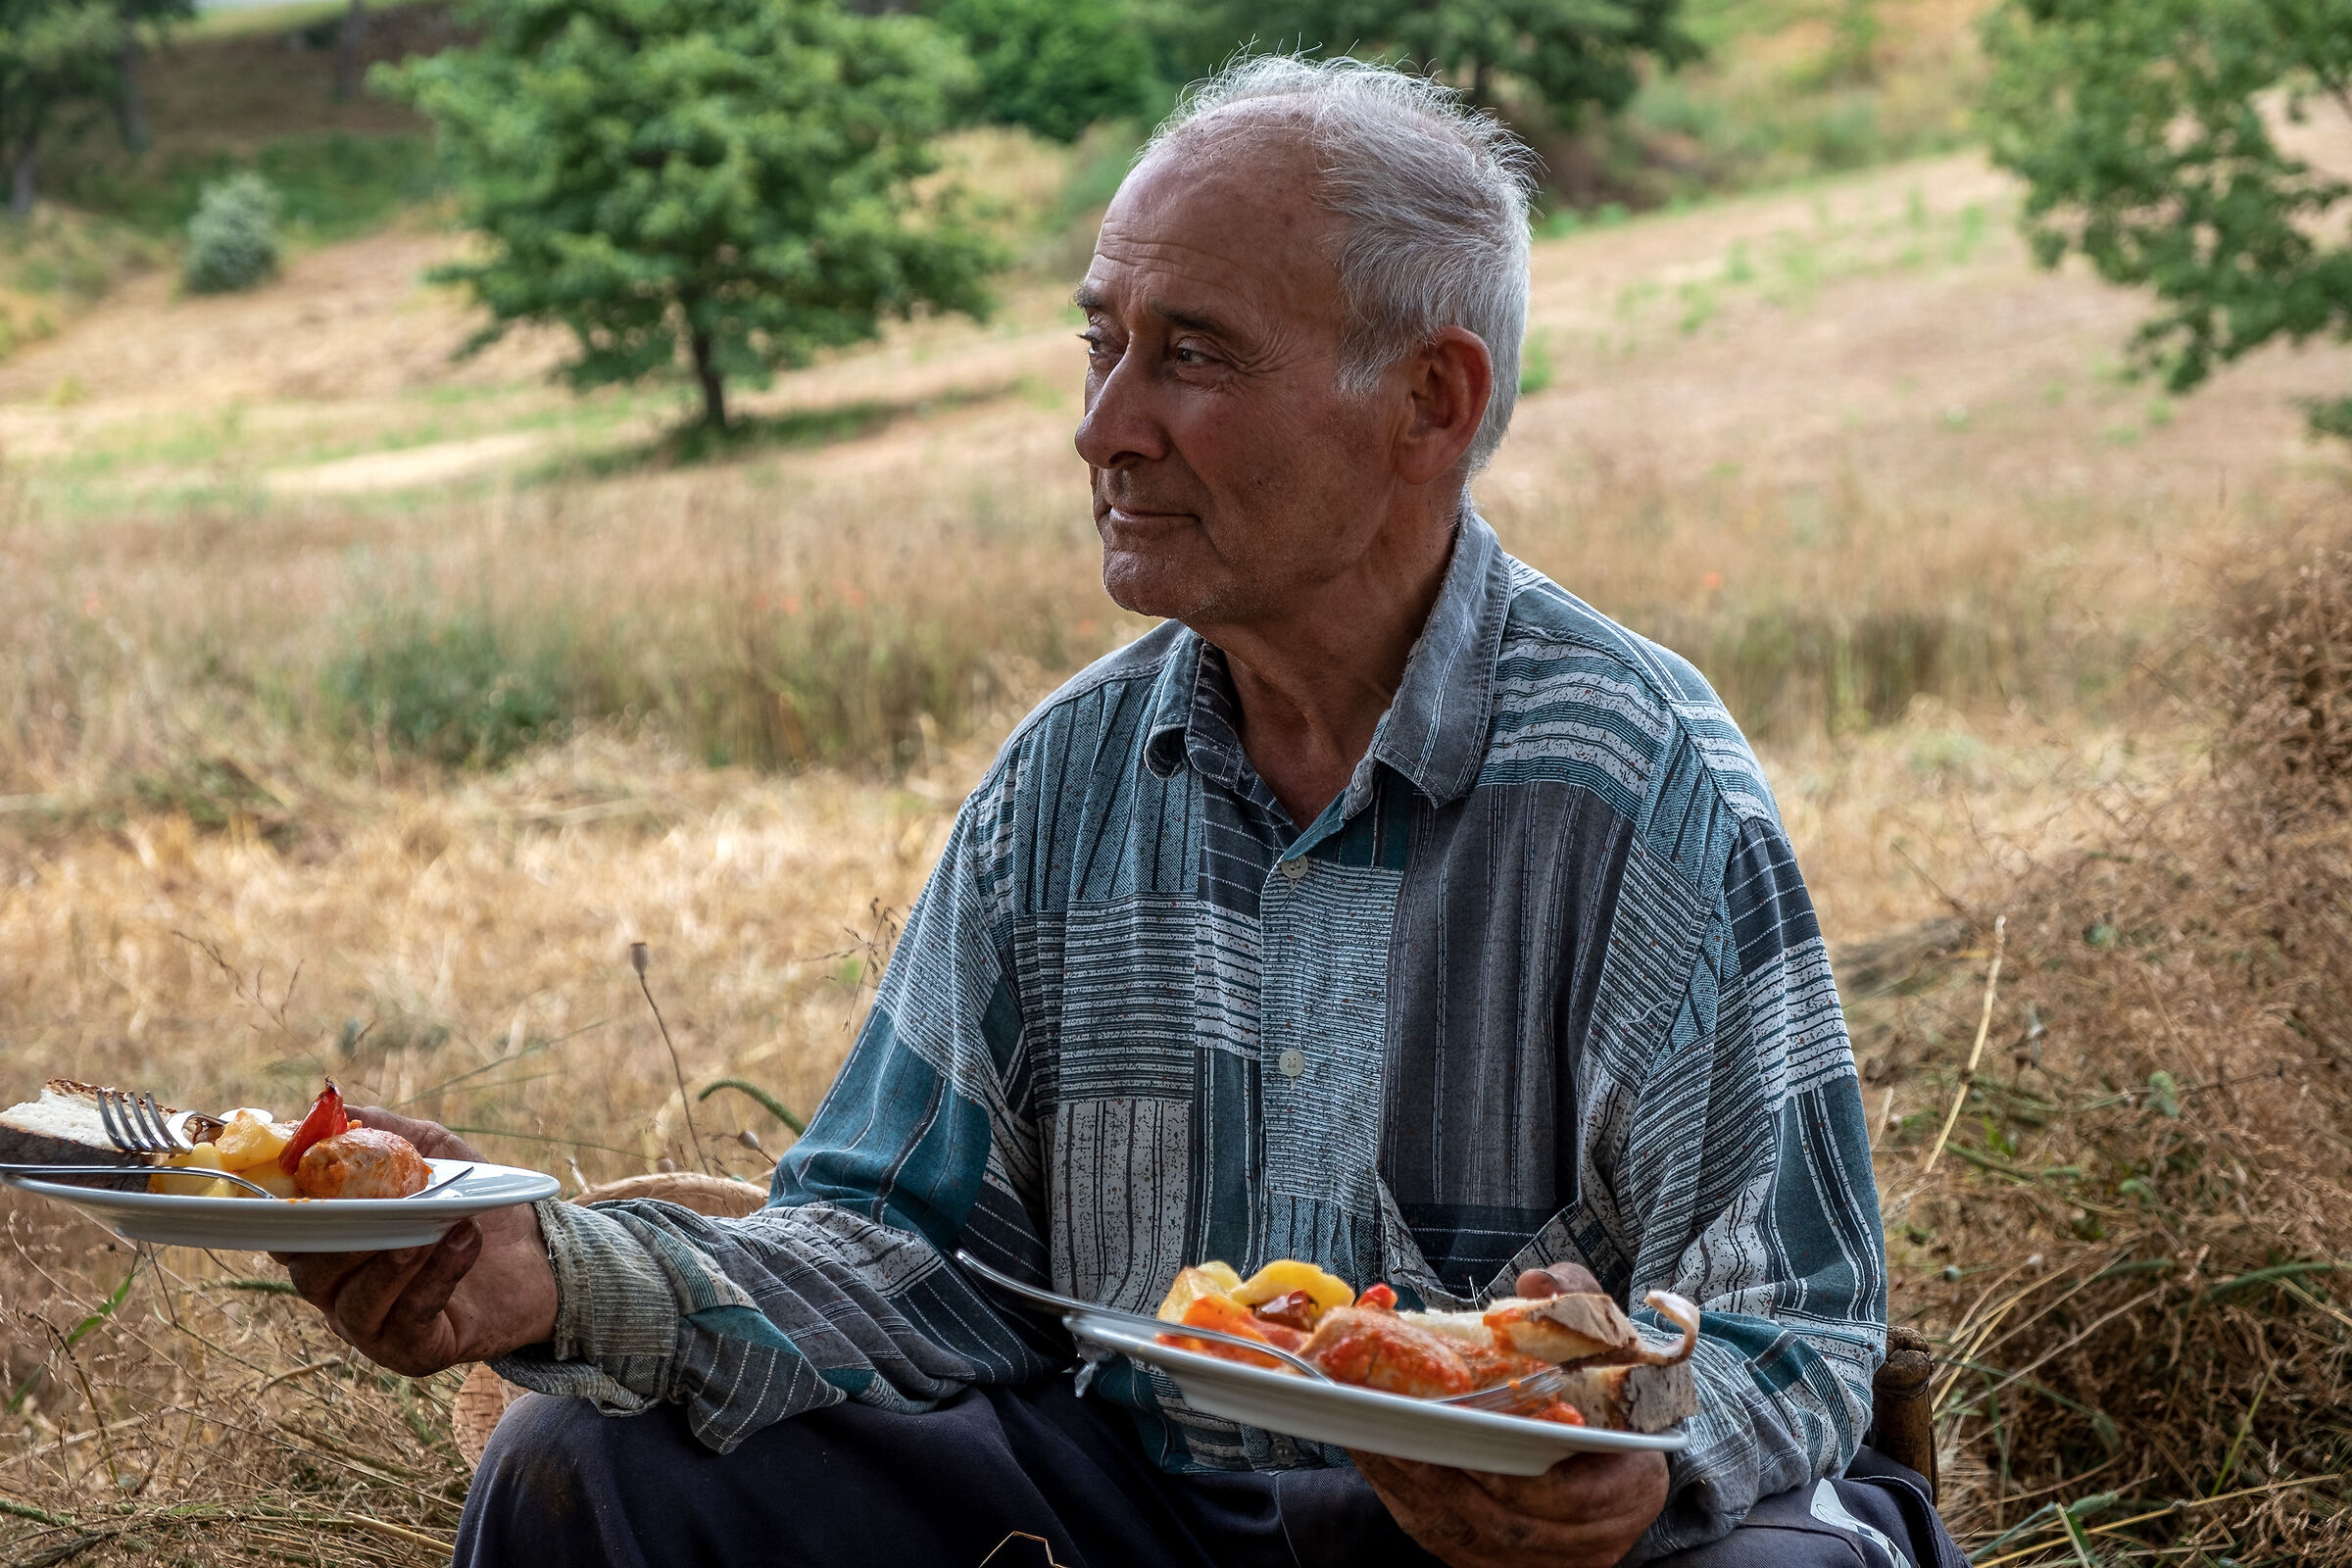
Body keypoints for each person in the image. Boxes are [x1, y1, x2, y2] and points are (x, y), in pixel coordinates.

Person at [282, 57, 1961, 1568]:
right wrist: (551, 1268)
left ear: (1429, 404)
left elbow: (1794, 1327)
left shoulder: (1635, 786)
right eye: (1102, 344)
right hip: (1144, 1517)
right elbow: (889, 1252)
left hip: (1509, 1557)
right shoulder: (1064, 789)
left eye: (1192, 358)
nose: (1104, 428)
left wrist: (1630, 1452)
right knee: (588, 1470)